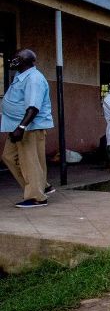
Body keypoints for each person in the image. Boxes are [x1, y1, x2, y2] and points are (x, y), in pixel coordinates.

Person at [1, 49, 54, 208]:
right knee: (8, 156)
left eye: (17, 58)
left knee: (30, 161)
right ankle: (41, 185)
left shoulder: (34, 79)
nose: (13, 60)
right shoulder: (21, 76)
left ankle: (37, 197)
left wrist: (21, 127)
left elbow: (33, 107)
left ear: (27, 61)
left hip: (29, 127)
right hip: (16, 125)